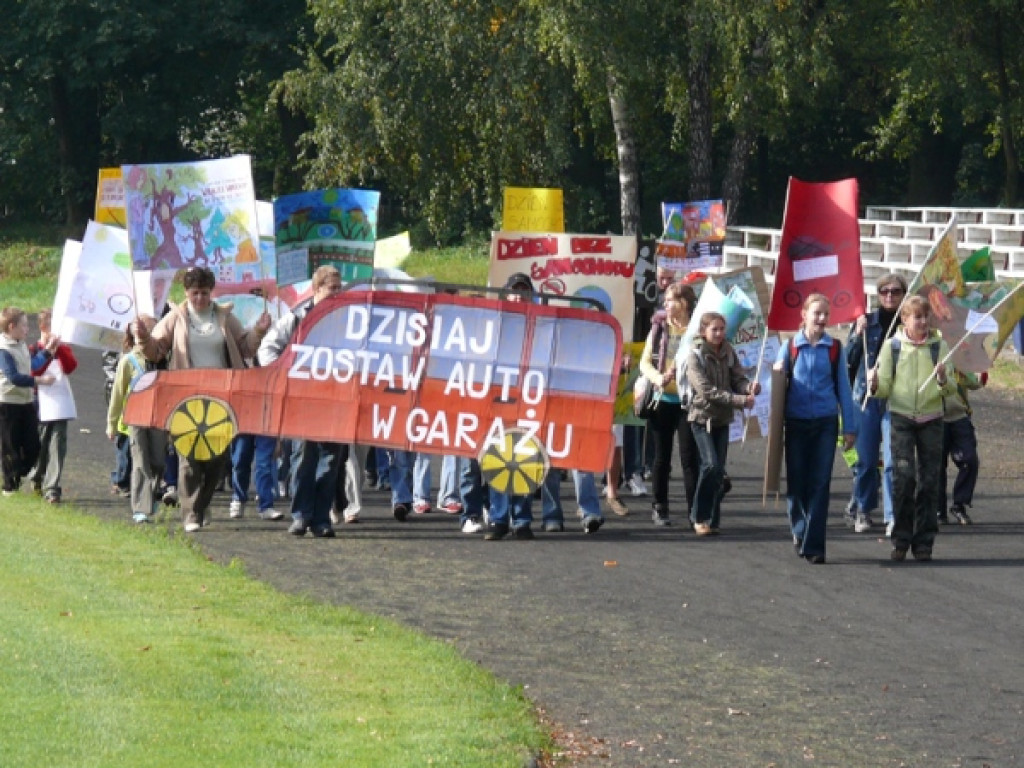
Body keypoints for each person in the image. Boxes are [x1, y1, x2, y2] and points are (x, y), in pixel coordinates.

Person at [135, 266, 271, 532]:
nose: (199, 298)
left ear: (212, 292)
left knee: (217, 458)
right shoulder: (175, 318)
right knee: (189, 458)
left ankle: (202, 504)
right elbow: (156, 351)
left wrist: (259, 330)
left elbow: (245, 347)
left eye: (205, 293)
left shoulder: (223, 316)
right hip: (186, 397)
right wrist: (142, 336)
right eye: (195, 293)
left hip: (222, 396)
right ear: (186, 292)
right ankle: (190, 515)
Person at [868, 295, 956, 562]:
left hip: (931, 419)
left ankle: (925, 542)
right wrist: (873, 384)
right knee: (903, 479)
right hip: (901, 418)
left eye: (926, 316)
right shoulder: (892, 346)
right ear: (904, 319)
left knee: (930, 482)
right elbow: (883, 388)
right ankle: (901, 539)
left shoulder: (939, 346)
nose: (923, 322)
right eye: (917, 317)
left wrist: (942, 378)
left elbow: (951, 389)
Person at [258, 265, 343, 538]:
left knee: (331, 460)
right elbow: (267, 348)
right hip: (304, 398)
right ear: (317, 289)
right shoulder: (295, 318)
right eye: (332, 288)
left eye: (340, 288)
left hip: (336, 399)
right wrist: (281, 378)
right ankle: (301, 515)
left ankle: (321, 519)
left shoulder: (347, 320)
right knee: (303, 457)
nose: (337, 293)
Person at [774, 294, 858, 564]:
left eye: (825, 314)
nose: (822, 319)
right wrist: (769, 378)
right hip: (796, 422)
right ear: (804, 314)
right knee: (798, 482)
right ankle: (799, 528)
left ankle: (815, 546)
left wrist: (850, 427)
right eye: (816, 313)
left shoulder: (834, 348)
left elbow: (844, 388)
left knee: (820, 484)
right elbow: (775, 384)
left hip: (825, 422)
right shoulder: (790, 347)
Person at [684, 312, 758, 536]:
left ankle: (713, 520)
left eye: (721, 329)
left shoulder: (728, 351)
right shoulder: (695, 356)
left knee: (717, 472)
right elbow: (705, 391)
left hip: (722, 419)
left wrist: (748, 388)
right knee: (710, 465)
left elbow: (737, 378)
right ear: (703, 331)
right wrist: (739, 400)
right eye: (714, 329)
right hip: (701, 418)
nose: (718, 334)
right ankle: (698, 516)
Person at [845, 273, 907, 534]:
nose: (889, 296)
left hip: (896, 398)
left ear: (904, 294)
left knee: (892, 462)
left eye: (895, 291)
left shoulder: (910, 323)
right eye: (884, 291)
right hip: (867, 398)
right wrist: (857, 335)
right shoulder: (867, 322)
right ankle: (862, 508)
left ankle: (892, 516)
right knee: (867, 461)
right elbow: (848, 360)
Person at [638, 282, 700, 526]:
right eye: (664, 301)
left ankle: (695, 511)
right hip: (661, 399)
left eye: (670, 300)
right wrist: (658, 378)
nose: (665, 305)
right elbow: (645, 363)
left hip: (688, 400)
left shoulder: (696, 330)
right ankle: (659, 506)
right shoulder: (658, 327)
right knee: (661, 458)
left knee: (689, 458)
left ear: (683, 303)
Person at [105, 315, 167, 523]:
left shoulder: (163, 360)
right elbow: (118, 394)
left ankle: (151, 495)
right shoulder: (128, 361)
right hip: (136, 418)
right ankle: (140, 507)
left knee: (158, 461)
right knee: (140, 461)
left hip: (158, 417)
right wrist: (111, 424)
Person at [1, 307, 58, 496]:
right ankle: (10, 488)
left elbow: (31, 366)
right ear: (12, 327)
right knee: (11, 447)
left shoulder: (21, 345)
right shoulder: (4, 350)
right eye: (24, 325)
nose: (28, 329)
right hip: (7, 403)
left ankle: (18, 475)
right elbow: (14, 377)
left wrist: (48, 351)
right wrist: (39, 381)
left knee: (34, 446)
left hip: (24, 402)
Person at [27, 308, 78, 503]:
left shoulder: (62, 349)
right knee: (41, 443)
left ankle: (52, 488)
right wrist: (48, 350)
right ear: (43, 327)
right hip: (40, 403)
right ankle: (37, 475)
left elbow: (71, 366)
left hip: (60, 404)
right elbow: (33, 370)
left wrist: (60, 349)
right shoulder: (33, 349)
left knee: (58, 444)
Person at [938, 369, 985, 525]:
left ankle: (959, 504)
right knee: (937, 466)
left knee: (969, 460)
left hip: (960, 418)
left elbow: (974, 381)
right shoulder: (929, 353)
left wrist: (981, 375)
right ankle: (938, 510)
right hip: (935, 419)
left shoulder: (959, 360)